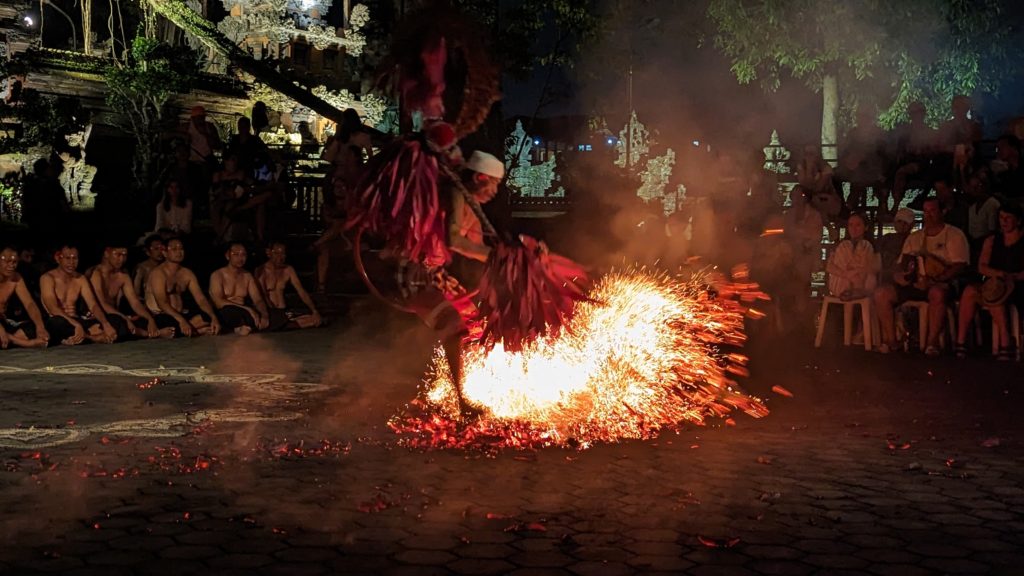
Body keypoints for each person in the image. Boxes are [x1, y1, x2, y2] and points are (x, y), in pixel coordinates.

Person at [874, 197, 969, 355]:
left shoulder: (954, 235)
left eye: (932, 211)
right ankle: (891, 341)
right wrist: (899, 276)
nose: (928, 215)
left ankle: (932, 343)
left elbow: (960, 265)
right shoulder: (915, 237)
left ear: (942, 211)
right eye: (925, 211)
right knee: (881, 293)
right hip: (914, 284)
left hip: (940, 284)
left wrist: (936, 280)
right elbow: (901, 264)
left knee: (937, 294)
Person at [955, 202, 1024, 360]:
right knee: (972, 291)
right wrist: (999, 274)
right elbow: (982, 266)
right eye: (1001, 217)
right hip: (996, 282)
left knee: (996, 297)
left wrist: (1012, 277)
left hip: (1018, 286)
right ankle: (961, 341)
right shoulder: (992, 241)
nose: (1004, 221)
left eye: (1008, 218)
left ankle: (1006, 341)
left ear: (1018, 221)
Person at [39, 245, 122, 346]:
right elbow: (52, 308)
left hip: (77, 320)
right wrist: (77, 325)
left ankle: (81, 337)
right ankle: (93, 337)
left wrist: (105, 324)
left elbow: (93, 305)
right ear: (58, 258)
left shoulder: (80, 278)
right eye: (67, 258)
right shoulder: (47, 278)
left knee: (115, 319)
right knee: (55, 323)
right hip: (60, 320)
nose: (71, 262)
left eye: (75, 258)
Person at [89, 244, 173, 340]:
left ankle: (144, 331)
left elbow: (135, 303)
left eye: (124, 255)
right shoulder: (96, 274)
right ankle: (152, 334)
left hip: (116, 315)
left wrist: (150, 319)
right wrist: (124, 318)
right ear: (106, 253)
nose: (121, 259)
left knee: (149, 320)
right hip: (99, 316)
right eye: (118, 254)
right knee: (119, 324)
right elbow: (101, 304)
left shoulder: (123, 276)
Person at [144, 237, 221, 337]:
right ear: (165, 253)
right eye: (174, 249)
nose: (179, 252)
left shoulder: (187, 273)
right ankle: (196, 331)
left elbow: (201, 299)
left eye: (181, 249)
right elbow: (162, 303)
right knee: (172, 327)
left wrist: (213, 317)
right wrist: (182, 321)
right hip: (162, 315)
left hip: (182, 313)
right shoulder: (158, 273)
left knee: (210, 316)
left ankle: (191, 330)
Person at [255, 241, 323, 329]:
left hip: (284, 310)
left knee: (316, 319)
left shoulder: (288, 269)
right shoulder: (261, 270)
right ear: (269, 253)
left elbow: (301, 291)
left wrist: (314, 310)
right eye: (277, 253)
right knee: (272, 322)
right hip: (270, 311)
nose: (280, 257)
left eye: (283, 254)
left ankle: (287, 323)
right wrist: (271, 313)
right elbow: (263, 295)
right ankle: (285, 323)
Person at [209, 243, 271, 335]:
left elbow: (258, 300)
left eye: (243, 254)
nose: (240, 258)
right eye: (236, 254)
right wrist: (248, 309)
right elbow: (218, 302)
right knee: (230, 313)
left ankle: (244, 326)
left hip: (243, 312)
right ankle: (238, 327)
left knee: (271, 316)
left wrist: (264, 315)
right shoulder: (217, 275)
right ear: (227, 255)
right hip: (226, 311)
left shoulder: (247, 276)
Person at [0, 246, 49, 348]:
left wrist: (40, 327)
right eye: (8, 261)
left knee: (39, 327)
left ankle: (10, 340)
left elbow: (29, 303)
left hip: (5, 323)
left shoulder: (16, 277)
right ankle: (23, 342)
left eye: (14, 262)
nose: (11, 265)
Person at [826, 213, 877, 299]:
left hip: (861, 283)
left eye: (858, 225)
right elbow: (829, 267)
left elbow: (865, 268)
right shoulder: (842, 245)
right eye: (851, 225)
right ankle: (847, 292)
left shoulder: (868, 246)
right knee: (845, 245)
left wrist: (854, 272)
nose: (853, 229)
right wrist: (847, 274)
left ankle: (854, 294)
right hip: (841, 282)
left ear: (866, 227)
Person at [184, 105, 222, 217]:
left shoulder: (209, 127)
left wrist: (206, 134)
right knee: (194, 187)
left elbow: (217, 146)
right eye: (198, 118)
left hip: (207, 161)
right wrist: (183, 136)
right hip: (193, 162)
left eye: (202, 118)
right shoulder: (187, 127)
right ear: (193, 118)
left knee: (207, 187)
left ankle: (207, 211)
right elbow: (169, 133)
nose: (200, 120)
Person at [875, 208, 915, 285]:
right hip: (885, 274)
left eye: (906, 223)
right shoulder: (886, 238)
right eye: (899, 221)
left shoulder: (914, 240)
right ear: (894, 223)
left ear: (912, 225)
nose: (902, 225)